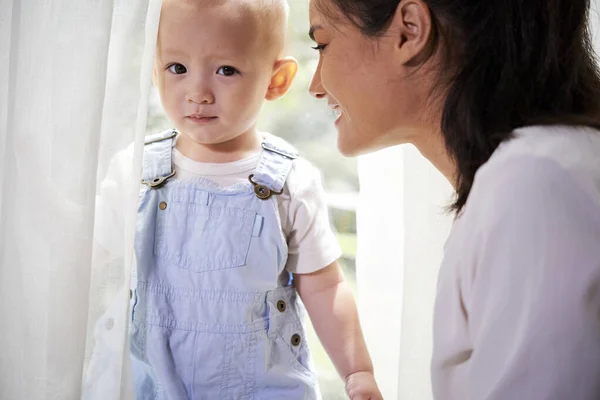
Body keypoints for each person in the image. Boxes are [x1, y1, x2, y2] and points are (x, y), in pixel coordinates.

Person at [87, 0, 383, 399]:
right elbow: (87, 264)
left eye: (225, 70)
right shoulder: (135, 171)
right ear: (155, 73)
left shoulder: (288, 182)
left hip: (261, 387)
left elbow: (326, 288)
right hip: (149, 384)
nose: (198, 93)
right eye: (178, 68)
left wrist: (357, 371)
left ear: (276, 81)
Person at [307, 0, 600, 398]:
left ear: (409, 31)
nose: (315, 85)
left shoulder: (534, 187)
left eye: (321, 45)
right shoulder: (522, 180)